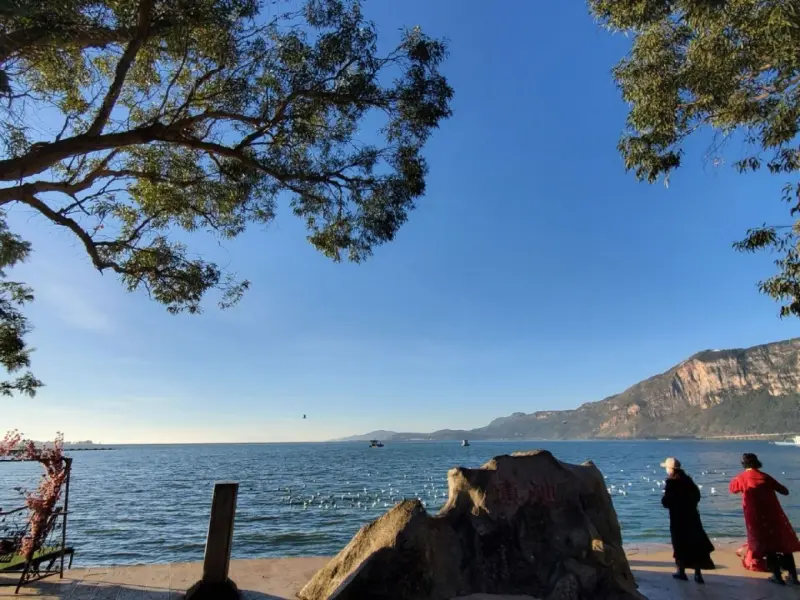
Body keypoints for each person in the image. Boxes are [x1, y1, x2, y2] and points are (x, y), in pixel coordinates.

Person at [729, 452, 800, 585]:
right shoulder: (765, 476)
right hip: (774, 515)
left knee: (769, 546)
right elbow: (784, 491)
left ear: (743, 464)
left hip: (756, 518)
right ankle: (793, 577)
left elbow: (732, 489)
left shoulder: (741, 477)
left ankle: (777, 576)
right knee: (783, 545)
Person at [660, 457, 715, 583]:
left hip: (678, 519)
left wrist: (664, 500)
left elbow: (667, 502)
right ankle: (697, 574)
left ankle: (681, 571)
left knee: (680, 544)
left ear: (670, 469)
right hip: (692, 516)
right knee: (695, 543)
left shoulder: (671, 483)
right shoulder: (688, 480)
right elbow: (697, 497)